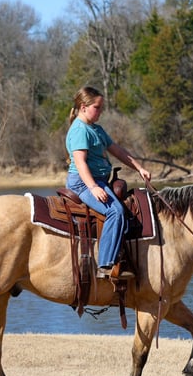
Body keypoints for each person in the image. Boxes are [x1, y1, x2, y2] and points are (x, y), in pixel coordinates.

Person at [65, 86, 152, 280]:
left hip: (99, 180)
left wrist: (139, 168)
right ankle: (105, 265)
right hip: (82, 182)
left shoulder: (96, 129)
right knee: (116, 211)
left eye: (101, 107)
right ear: (83, 107)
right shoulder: (80, 130)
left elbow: (118, 151)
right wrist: (93, 188)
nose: (100, 111)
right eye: (97, 107)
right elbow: (80, 163)